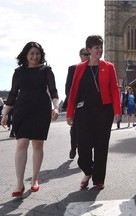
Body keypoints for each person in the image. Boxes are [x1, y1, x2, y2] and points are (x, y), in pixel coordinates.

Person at [0, 41, 59, 197]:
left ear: (41, 55)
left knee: (37, 145)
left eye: (37, 53)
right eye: (32, 53)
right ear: (26, 55)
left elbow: (53, 91)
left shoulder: (46, 70)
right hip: (22, 109)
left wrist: (56, 107)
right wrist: (5, 113)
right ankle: (19, 184)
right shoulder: (18, 72)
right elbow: (12, 94)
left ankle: (34, 179)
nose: (35, 56)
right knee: (21, 143)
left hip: (41, 109)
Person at [66, 35, 121, 190]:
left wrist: (117, 110)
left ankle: (98, 179)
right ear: (89, 50)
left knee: (101, 145)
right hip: (84, 112)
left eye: (101, 47)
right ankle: (87, 171)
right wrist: (70, 112)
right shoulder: (80, 68)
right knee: (83, 146)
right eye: (96, 47)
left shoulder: (108, 66)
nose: (100, 50)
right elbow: (73, 91)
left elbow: (114, 89)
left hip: (104, 110)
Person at [63, 48, 90, 159]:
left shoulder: (93, 68)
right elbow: (68, 88)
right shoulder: (73, 68)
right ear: (80, 55)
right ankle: (74, 147)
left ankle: (85, 152)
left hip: (90, 104)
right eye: (85, 54)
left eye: (89, 54)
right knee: (75, 129)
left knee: (88, 129)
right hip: (77, 103)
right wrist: (72, 103)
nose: (88, 56)